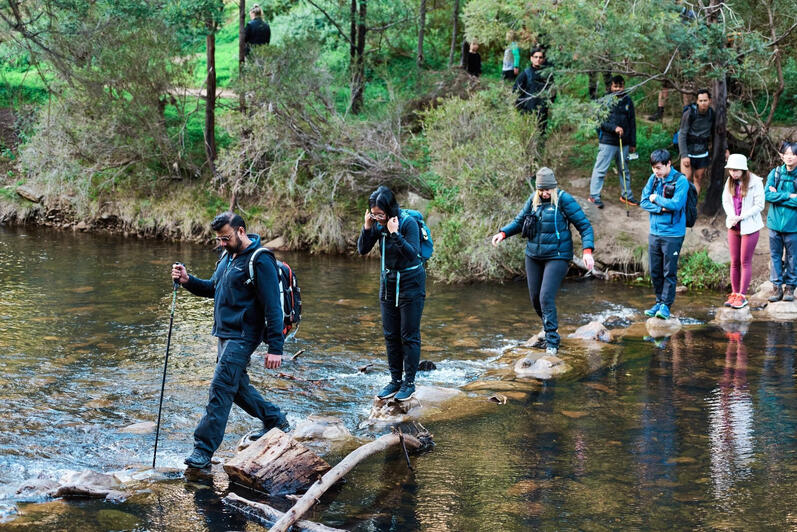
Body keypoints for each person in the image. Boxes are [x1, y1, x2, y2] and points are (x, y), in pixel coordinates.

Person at [171, 212, 288, 469]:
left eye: (226, 238)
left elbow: (273, 307)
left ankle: (203, 450)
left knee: (220, 387)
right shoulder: (226, 257)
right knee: (235, 387)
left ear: (241, 231)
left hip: (244, 335)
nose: (222, 243)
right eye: (219, 239)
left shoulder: (261, 260)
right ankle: (275, 418)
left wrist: (275, 348)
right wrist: (188, 280)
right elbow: (214, 289)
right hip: (224, 333)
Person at [491, 167, 595, 355]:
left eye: (548, 190)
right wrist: (503, 233)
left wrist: (587, 251)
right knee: (535, 299)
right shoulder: (533, 200)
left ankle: (552, 342)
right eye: (542, 190)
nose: (545, 193)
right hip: (534, 255)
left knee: (545, 296)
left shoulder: (564, 200)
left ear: (554, 187)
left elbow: (585, 226)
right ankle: (548, 327)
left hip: (558, 255)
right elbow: (520, 221)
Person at [357, 186, 426, 402]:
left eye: (380, 214)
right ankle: (395, 380)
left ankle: (409, 383)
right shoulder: (377, 224)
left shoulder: (407, 223)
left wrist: (395, 234)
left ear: (389, 210)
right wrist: (367, 228)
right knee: (390, 335)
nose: (377, 218)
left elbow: (413, 254)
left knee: (409, 335)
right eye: (373, 213)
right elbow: (362, 249)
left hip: (411, 285)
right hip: (387, 285)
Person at [640, 149, 689, 319]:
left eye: (659, 168)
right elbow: (643, 201)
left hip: (673, 233)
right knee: (655, 270)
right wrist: (660, 208)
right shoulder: (653, 179)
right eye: (654, 168)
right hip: (655, 232)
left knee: (669, 271)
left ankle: (666, 306)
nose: (656, 172)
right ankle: (659, 302)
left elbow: (676, 204)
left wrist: (656, 199)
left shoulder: (681, 181)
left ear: (669, 164)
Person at [721, 153, 764, 309]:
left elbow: (759, 205)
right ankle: (734, 293)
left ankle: (742, 295)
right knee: (734, 261)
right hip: (733, 225)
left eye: (736, 170)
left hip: (749, 226)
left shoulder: (756, 182)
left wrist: (741, 216)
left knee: (745, 261)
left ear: (743, 169)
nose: (733, 173)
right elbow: (726, 201)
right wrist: (732, 216)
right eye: (731, 170)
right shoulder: (729, 182)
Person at [588, 75, 637, 209]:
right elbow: (600, 121)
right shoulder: (604, 101)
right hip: (608, 141)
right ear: (610, 87)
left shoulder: (628, 101)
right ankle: (594, 195)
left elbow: (632, 122)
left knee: (624, 169)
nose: (618, 89)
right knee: (601, 169)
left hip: (624, 142)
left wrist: (633, 142)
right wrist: (614, 128)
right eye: (615, 86)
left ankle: (626, 195)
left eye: (620, 86)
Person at [764, 140, 797, 302]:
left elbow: (774, 196)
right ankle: (776, 288)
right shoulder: (775, 173)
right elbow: (767, 195)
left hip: (793, 226)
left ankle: (790, 288)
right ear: (781, 156)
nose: (789, 157)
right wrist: (789, 196)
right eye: (787, 154)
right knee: (775, 256)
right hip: (774, 224)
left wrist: (778, 196)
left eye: (793, 154)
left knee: (792, 257)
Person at [678, 89, 727, 196]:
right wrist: (684, 155)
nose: (703, 103)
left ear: (709, 100)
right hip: (689, 151)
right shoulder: (689, 113)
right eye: (700, 101)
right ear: (697, 101)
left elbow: (718, 133)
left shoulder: (711, 114)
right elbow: (681, 135)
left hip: (702, 152)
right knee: (685, 180)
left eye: (705, 100)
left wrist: (725, 148)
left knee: (698, 179)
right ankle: (683, 207)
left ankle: (693, 207)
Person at [513, 47, 555, 133]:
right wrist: (521, 108)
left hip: (542, 111)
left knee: (541, 133)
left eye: (540, 57)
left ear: (543, 59)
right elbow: (516, 91)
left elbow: (553, 91)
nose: (538, 59)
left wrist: (549, 104)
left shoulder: (547, 74)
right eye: (535, 57)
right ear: (531, 58)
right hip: (528, 111)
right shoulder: (525, 73)